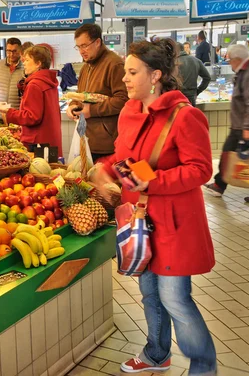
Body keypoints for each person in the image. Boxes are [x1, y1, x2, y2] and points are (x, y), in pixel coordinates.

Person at [93, 38, 216, 375]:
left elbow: (201, 170)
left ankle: (204, 367)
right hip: (139, 220)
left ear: (156, 75)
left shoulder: (185, 116)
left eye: (132, 72)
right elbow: (125, 158)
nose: (125, 79)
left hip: (174, 224)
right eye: (125, 72)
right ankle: (157, 354)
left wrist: (154, 181)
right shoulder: (130, 112)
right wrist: (104, 168)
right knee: (149, 294)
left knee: (175, 299)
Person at [205, 44, 249, 202]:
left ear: (238, 59)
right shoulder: (247, 70)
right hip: (243, 124)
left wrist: (248, 127)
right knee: (228, 153)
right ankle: (219, 184)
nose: (230, 64)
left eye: (230, 60)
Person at [67, 23, 128, 162]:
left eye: (84, 45)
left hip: (106, 144)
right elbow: (80, 94)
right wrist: (73, 104)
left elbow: (123, 100)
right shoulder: (86, 67)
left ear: (98, 42)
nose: (81, 51)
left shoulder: (114, 64)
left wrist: (92, 111)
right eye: (78, 47)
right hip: (86, 139)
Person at [1, 46, 62, 156]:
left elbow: (32, 117)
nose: (24, 63)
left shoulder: (34, 85)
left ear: (38, 64)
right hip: (50, 139)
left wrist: (8, 111)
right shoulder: (50, 82)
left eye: (28, 60)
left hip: (37, 142)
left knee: (37, 171)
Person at [0, 38, 24, 115]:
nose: (11, 54)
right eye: (8, 51)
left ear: (20, 51)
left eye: (14, 51)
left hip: (16, 116)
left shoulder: (25, 68)